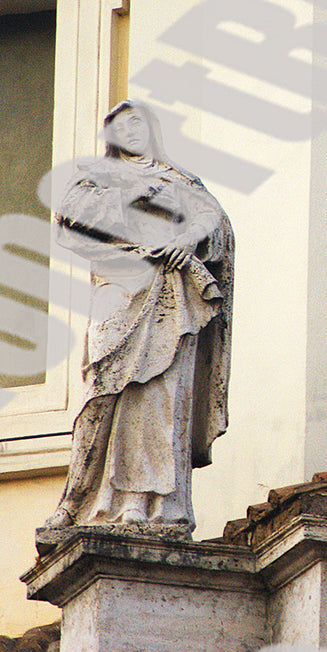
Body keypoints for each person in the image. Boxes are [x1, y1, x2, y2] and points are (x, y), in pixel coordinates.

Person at [42, 100, 232, 533]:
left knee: (159, 399)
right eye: (121, 125)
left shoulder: (180, 180)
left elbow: (213, 221)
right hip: (118, 287)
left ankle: (149, 503)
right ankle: (80, 501)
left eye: (138, 123)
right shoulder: (98, 177)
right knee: (103, 393)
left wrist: (185, 241)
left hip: (170, 295)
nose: (130, 132)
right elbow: (70, 217)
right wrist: (133, 194)